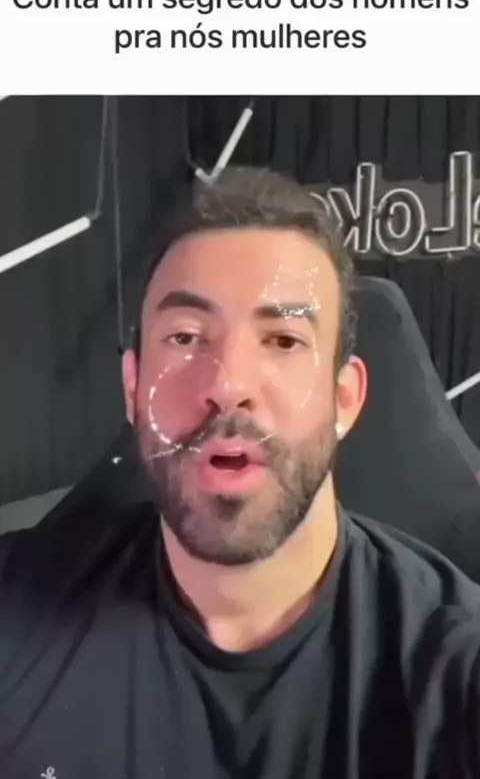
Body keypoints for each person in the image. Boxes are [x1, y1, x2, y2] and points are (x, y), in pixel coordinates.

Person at [0, 166, 479, 779]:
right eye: (185, 337)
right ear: (132, 387)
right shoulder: (16, 608)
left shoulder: (454, 670)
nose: (227, 386)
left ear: (345, 399)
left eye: (283, 340)